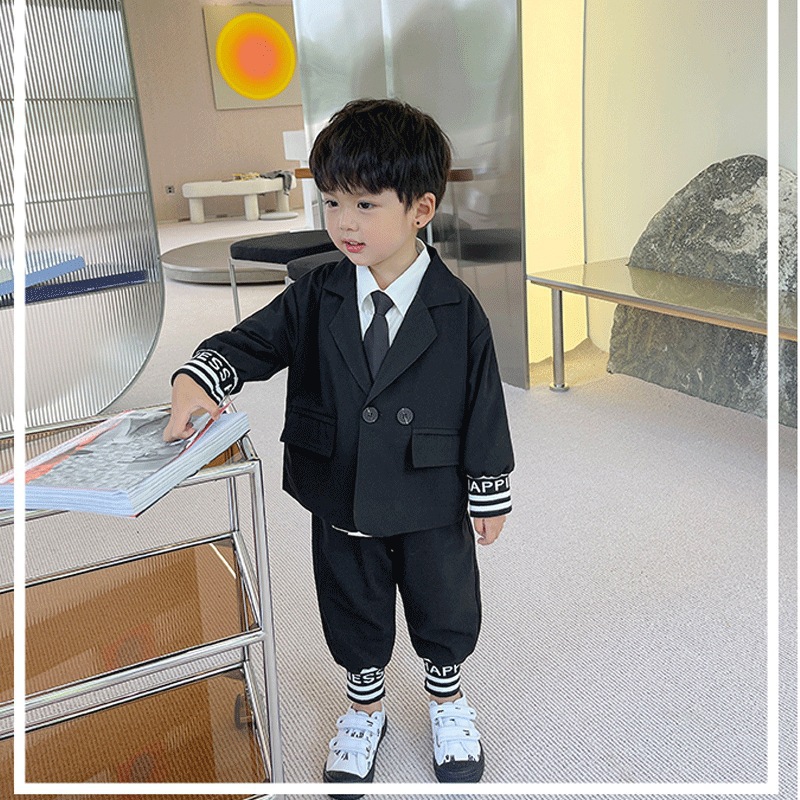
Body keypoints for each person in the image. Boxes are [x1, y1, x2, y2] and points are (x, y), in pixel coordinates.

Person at [164, 98, 514, 795]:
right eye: (331, 203)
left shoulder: (458, 307)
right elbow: (253, 343)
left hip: (429, 490)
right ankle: (365, 708)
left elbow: (484, 404)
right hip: (341, 486)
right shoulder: (316, 293)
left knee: (443, 601)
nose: (344, 223)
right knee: (351, 602)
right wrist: (197, 377)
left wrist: (490, 488)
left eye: (365, 204)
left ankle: (446, 699)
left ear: (421, 209)